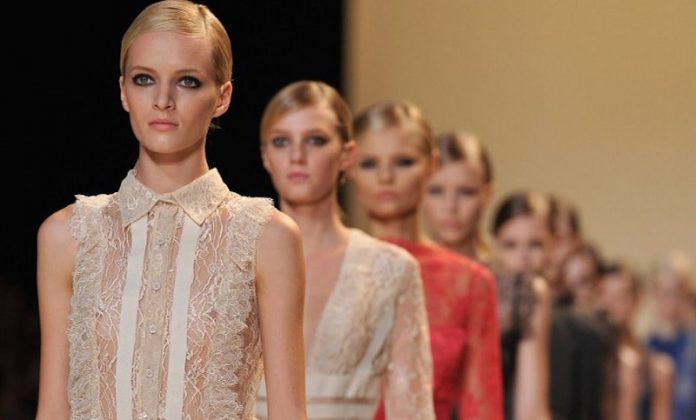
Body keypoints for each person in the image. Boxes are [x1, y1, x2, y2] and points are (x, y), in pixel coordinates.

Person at [35, 1, 306, 419]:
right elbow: (54, 409)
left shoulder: (266, 237)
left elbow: (288, 412)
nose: (162, 100)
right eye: (144, 79)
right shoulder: (67, 235)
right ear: (123, 91)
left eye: (187, 82)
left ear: (222, 97)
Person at [254, 80, 434, 419]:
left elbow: (411, 409)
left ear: (347, 155)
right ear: (266, 156)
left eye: (316, 140)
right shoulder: (235, 259)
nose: (297, 157)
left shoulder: (391, 269)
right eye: (281, 141)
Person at [349, 100, 503, 420]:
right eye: (369, 163)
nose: (386, 176)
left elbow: (481, 408)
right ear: (348, 166)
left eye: (403, 162)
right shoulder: (319, 266)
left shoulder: (469, 282)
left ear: (431, 165)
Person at [489, 191, 554, 420]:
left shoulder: (537, 292)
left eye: (535, 245)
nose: (523, 256)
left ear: (553, 244)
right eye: (510, 245)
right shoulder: (533, 292)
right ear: (494, 244)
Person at [599, 261, 673, 420]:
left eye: (622, 296)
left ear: (637, 299)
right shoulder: (592, 355)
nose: (614, 303)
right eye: (607, 294)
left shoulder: (656, 367)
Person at [421, 130, 495, 265]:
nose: (451, 206)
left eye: (466, 192)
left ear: (487, 194)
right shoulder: (403, 270)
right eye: (436, 191)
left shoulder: (511, 272)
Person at [644, 251, 696, 420]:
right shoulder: (646, 347)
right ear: (654, 292)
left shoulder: (691, 345)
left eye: (676, 292)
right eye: (664, 293)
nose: (670, 301)